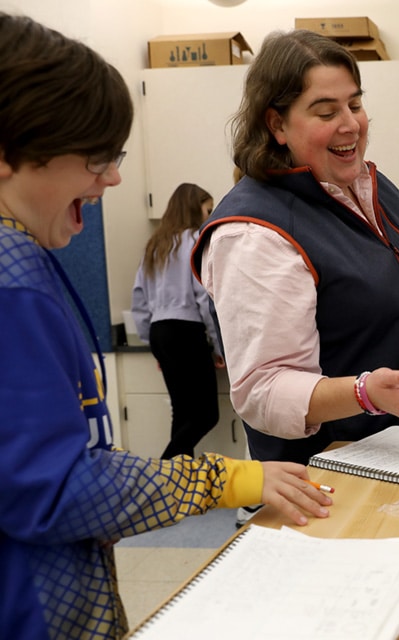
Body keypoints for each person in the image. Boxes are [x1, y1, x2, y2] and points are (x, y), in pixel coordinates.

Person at [0, 14, 332, 639]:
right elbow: (52, 489)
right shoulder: (11, 282)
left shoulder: (29, 258)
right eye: (96, 156)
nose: (114, 177)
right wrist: (226, 477)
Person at [193, 29, 399, 468]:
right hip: (340, 478)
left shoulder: (370, 188)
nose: (350, 124)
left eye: (355, 104)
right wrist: (364, 394)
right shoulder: (254, 233)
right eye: (326, 111)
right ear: (276, 124)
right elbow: (264, 392)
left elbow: (371, 318)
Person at [132, 182, 225, 459]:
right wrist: (218, 346)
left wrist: (154, 345)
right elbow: (204, 298)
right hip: (187, 330)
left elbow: (139, 297)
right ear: (194, 209)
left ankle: (176, 482)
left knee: (183, 413)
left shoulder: (155, 245)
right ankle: (162, 470)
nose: (210, 216)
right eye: (208, 210)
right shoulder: (196, 241)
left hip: (160, 332)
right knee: (206, 415)